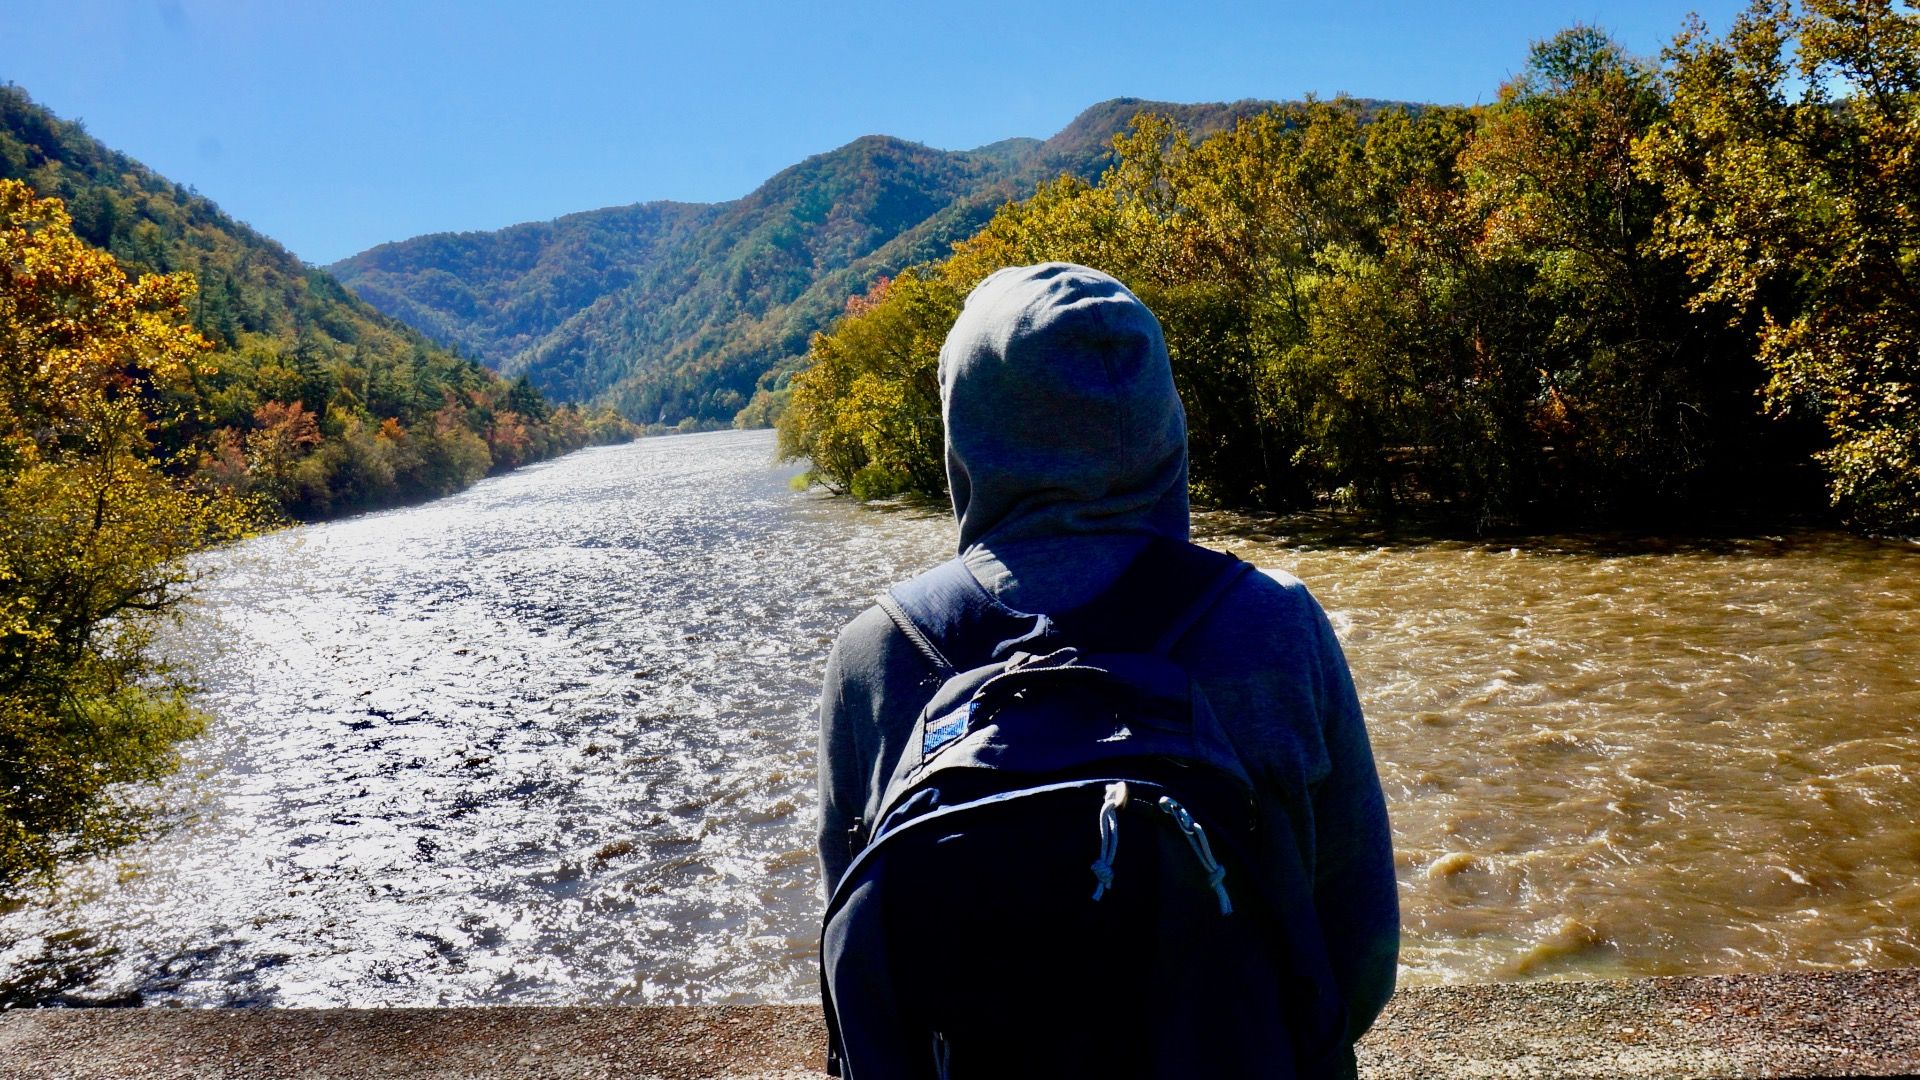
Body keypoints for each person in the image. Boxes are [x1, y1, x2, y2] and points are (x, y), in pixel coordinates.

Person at [815, 262, 1398, 1078]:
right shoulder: (1275, 621)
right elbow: (1360, 957)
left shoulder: (877, 650)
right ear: (1164, 417)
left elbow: (860, 976)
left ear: (966, 426)